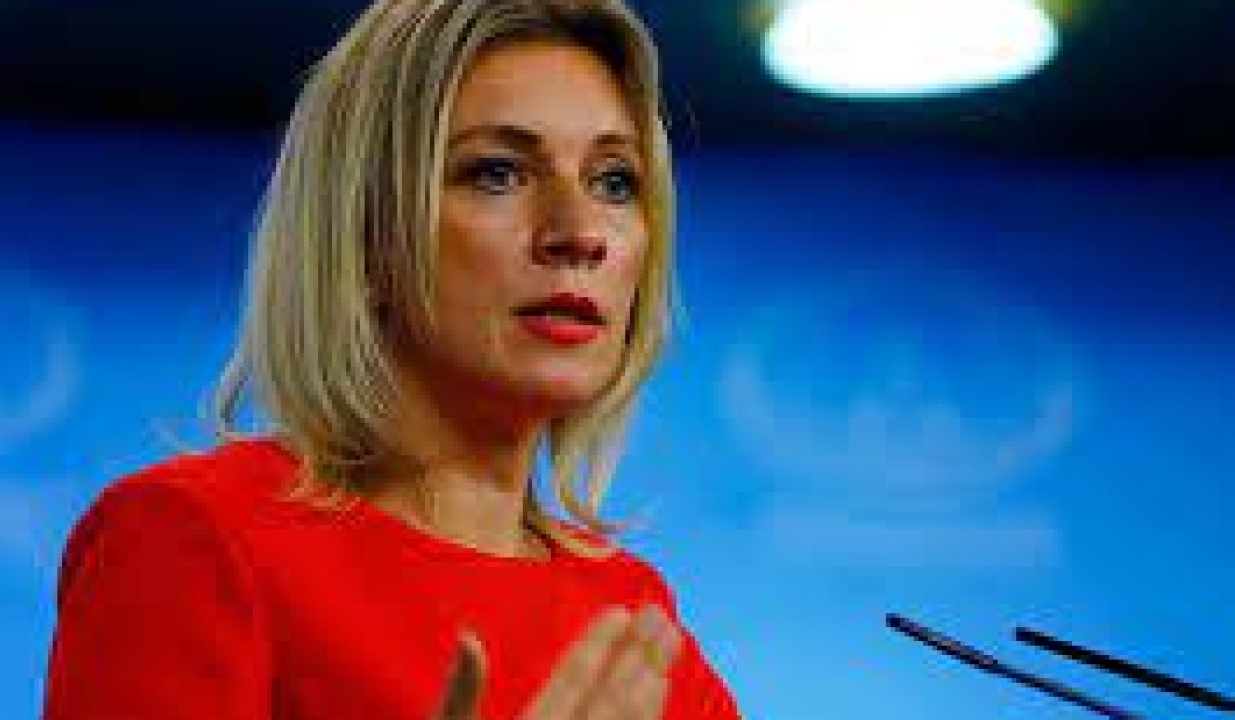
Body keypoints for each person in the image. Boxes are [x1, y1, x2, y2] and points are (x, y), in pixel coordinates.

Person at [42, 0, 743, 718]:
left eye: (615, 181)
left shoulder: (630, 622)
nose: (580, 232)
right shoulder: (193, 538)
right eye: (498, 173)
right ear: (364, 229)